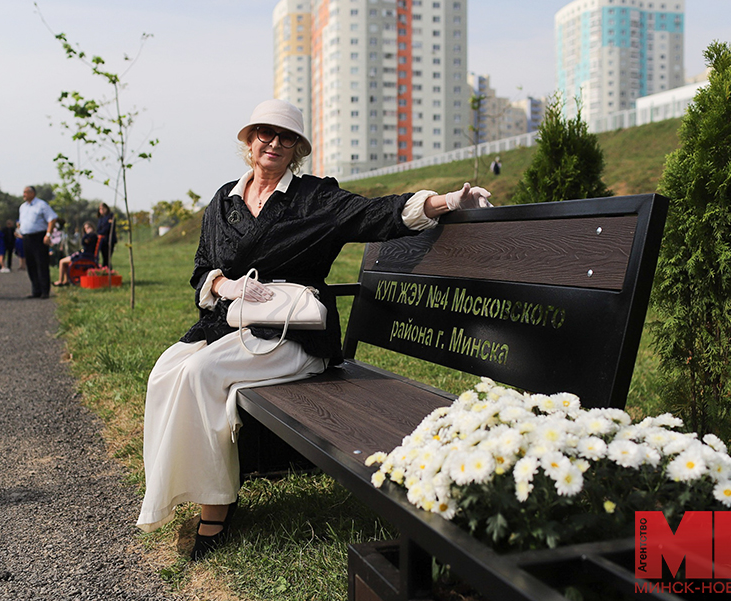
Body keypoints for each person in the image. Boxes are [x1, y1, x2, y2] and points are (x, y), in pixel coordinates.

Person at [135, 99, 491, 558]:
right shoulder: (223, 199)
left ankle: (215, 504)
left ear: (298, 149)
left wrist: (445, 201)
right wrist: (226, 285)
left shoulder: (315, 198)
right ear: (249, 141)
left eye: (286, 137)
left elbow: (376, 214)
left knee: (200, 372)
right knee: (165, 370)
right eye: (265, 133)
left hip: (294, 334)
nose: (274, 143)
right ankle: (172, 485)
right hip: (230, 323)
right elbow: (203, 267)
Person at [18, 186, 58, 299]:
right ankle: (36, 290)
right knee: (31, 265)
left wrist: (48, 234)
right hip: (26, 238)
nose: (24, 195)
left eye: (26, 192)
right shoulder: (22, 207)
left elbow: (52, 218)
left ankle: (45, 291)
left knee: (41, 263)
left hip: (39, 237)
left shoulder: (41, 205)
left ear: (32, 193)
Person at [52, 221, 97, 286]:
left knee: (61, 262)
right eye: (86, 228)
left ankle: (60, 281)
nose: (87, 229)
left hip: (85, 256)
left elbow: (83, 242)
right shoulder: (90, 236)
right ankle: (66, 280)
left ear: (92, 228)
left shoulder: (92, 236)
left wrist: (87, 235)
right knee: (64, 261)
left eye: (88, 227)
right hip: (84, 254)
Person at [96, 203, 116, 269]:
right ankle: (106, 271)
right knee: (104, 257)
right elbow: (98, 229)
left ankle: (108, 271)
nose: (101, 210)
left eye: (103, 209)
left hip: (108, 240)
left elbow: (107, 228)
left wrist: (101, 233)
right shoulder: (100, 218)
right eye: (100, 209)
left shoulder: (110, 216)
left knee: (107, 258)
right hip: (102, 241)